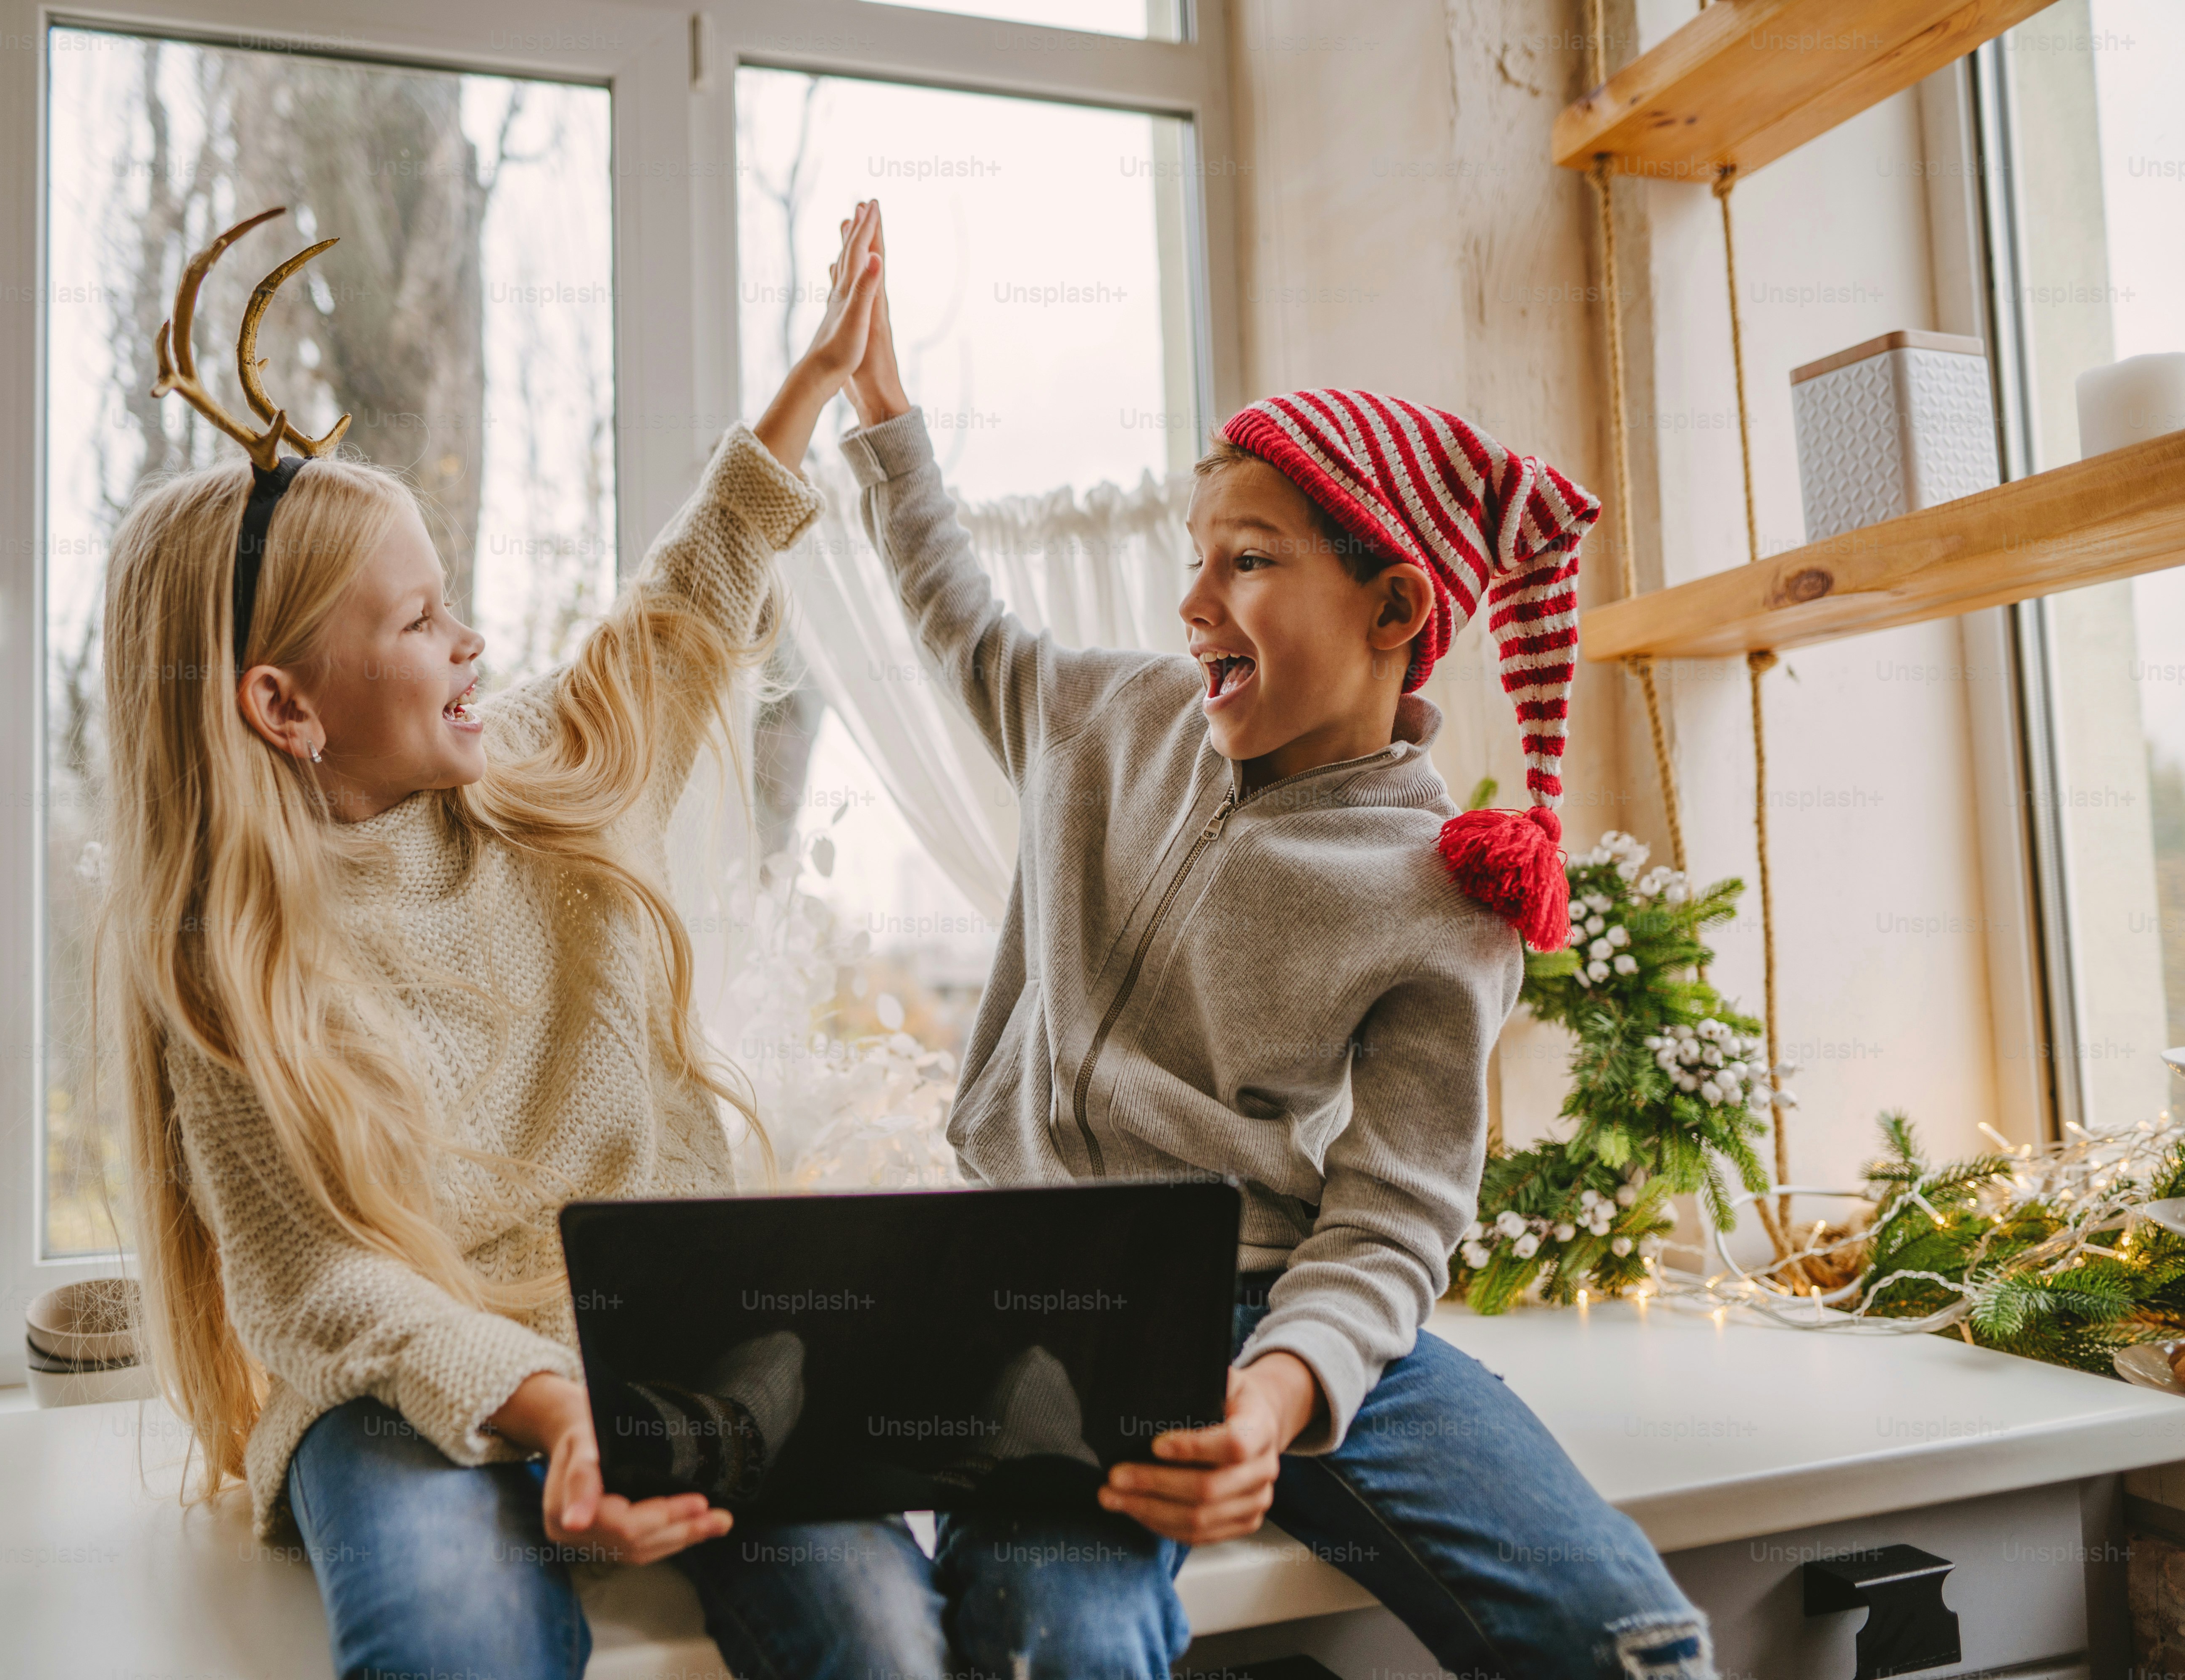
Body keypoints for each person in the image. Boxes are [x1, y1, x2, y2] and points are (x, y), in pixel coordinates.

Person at [828, 200, 1717, 1680]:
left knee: (1624, 1640)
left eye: (1245, 561)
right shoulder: (1111, 720)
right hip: (1053, 1301)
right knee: (1061, 1645)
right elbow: (964, 628)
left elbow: (1392, 1214)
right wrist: (885, 414)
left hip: (1290, 1296)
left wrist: (1279, 1396)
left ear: (1394, 608)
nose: (1192, 605)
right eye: (1198, 559)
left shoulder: (1445, 897)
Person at [105, 204, 946, 1680]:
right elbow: (319, 1288)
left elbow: (677, 619)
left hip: (671, 1332)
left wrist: (808, 389)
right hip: (399, 1388)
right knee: (457, 1648)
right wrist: (552, 1409)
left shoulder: (529, 775)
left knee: (878, 1628)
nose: (474, 641)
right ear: (284, 708)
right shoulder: (221, 958)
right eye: (424, 620)